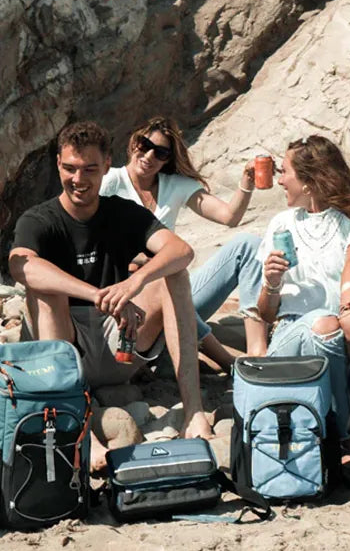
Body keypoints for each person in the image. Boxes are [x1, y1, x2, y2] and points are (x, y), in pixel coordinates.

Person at [9, 120, 214, 467]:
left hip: (121, 344)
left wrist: (133, 284)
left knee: (174, 276)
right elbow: (21, 267)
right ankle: (80, 431)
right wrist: (96, 294)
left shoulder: (123, 213)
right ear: (58, 163)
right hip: (63, 351)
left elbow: (181, 250)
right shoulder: (38, 219)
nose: (79, 179)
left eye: (90, 169)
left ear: (107, 165)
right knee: (46, 289)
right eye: (70, 168)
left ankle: (193, 413)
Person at [257, 135, 350, 467]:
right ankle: (346, 437)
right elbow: (266, 314)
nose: (279, 179)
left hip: (337, 325)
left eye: (285, 172)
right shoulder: (281, 225)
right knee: (324, 326)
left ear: (309, 182)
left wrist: (348, 313)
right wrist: (271, 283)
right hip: (291, 336)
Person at [100, 116, 267, 372]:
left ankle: (258, 350)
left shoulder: (175, 186)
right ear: (134, 143)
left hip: (172, 292)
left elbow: (229, 217)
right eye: (145, 145)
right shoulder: (108, 181)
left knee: (248, 245)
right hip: (128, 300)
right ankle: (227, 362)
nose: (149, 156)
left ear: (168, 159)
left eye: (161, 152)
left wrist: (246, 184)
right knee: (166, 275)